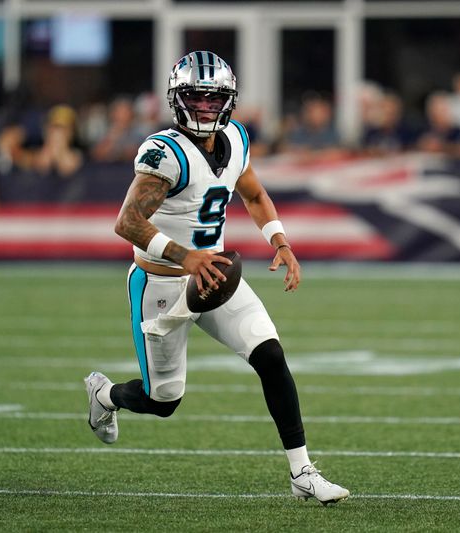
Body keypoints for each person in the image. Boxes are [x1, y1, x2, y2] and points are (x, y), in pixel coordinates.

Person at [84, 50, 349, 506]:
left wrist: (280, 242)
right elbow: (127, 222)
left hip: (217, 276)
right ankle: (106, 395)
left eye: (213, 99)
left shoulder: (238, 139)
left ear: (228, 102)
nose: (205, 107)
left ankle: (302, 472)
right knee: (164, 400)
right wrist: (186, 258)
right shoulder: (164, 152)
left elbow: (254, 193)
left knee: (270, 356)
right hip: (162, 285)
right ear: (177, 99)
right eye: (196, 98)